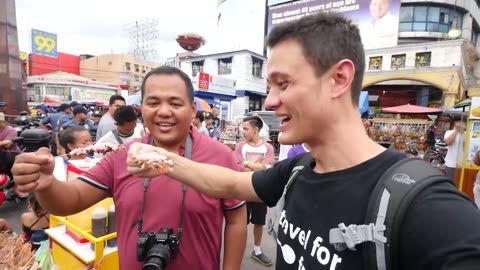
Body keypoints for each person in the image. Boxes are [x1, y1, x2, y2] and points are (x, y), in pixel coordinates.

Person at [121, 13, 480, 270]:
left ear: (339, 78)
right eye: (269, 88)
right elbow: (229, 182)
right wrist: (158, 157)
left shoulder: (424, 206)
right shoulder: (296, 170)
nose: (272, 102)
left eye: (283, 84)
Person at [13, 66, 247, 270]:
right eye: (153, 103)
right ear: (141, 108)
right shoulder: (122, 154)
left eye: (175, 103)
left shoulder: (220, 155)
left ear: (193, 110)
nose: (164, 111)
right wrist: (45, 185)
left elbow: (236, 221)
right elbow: (71, 200)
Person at [234, 115, 274, 266]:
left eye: (245, 129)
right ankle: (237, 249)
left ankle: (257, 250)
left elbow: (268, 169)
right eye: (242, 128)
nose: (242, 131)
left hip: (259, 191)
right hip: (242, 190)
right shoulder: (240, 146)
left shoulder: (268, 148)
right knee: (239, 222)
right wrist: (257, 165)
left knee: (259, 222)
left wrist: (247, 164)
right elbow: (237, 167)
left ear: (256, 130)